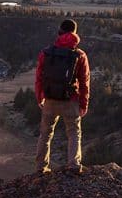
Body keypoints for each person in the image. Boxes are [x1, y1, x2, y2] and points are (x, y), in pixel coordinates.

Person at [35, 18, 90, 175]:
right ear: (74, 33)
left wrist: (40, 97)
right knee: (73, 132)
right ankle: (73, 165)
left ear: (59, 31)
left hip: (50, 99)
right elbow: (85, 82)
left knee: (45, 134)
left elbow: (39, 77)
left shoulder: (46, 52)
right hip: (70, 100)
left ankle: (41, 168)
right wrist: (83, 104)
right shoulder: (80, 55)